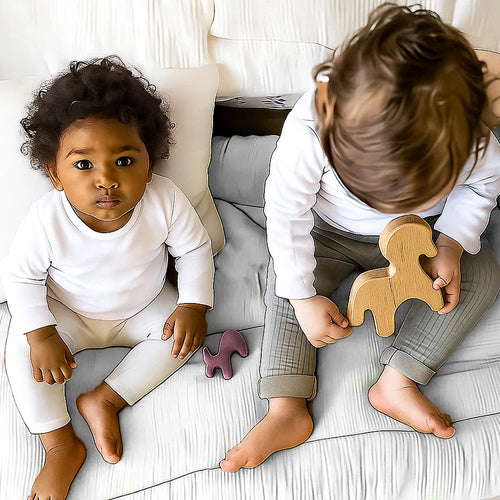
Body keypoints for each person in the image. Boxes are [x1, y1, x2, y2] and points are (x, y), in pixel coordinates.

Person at [221, 3, 500, 472]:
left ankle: (398, 380)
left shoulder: (472, 140)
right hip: (327, 232)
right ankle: (286, 406)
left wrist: (452, 243)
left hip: (422, 237)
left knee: (481, 272)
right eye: (370, 192)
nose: (383, 207)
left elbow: (482, 185)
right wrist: (304, 298)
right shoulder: (311, 129)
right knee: (285, 280)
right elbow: (286, 214)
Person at [2, 57, 214, 500]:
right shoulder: (46, 218)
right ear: (55, 174)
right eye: (83, 166)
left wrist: (193, 304)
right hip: (68, 314)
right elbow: (20, 279)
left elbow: (194, 250)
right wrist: (41, 334)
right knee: (20, 351)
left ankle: (105, 398)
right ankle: (60, 445)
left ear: (149, 165)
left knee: (181, 339)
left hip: (143, 307)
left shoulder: (164, 199)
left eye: (124, 160)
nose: (106, 179)